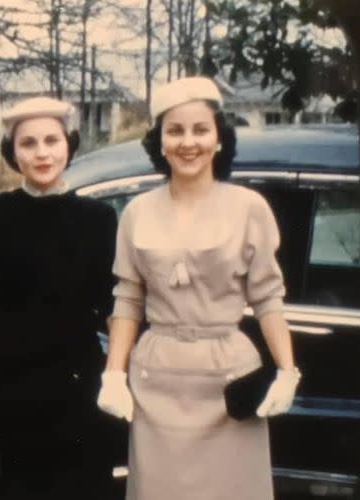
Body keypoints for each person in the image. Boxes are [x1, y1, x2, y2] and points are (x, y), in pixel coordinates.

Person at [97, 77, 301, 500]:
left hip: (228, 381)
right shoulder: (137, 212)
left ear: (219, 139)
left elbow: (267, 297)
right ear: (160, 142)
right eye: (175, 131)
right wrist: (114, 374)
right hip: (157, 384)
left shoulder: (249, 208)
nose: (188, 142)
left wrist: (286, 370)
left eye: (200, 129)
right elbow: (129, 299)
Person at [0, 97, 121, 500]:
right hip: (11, 393)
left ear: (69, 145)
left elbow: (115, 304)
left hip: (79, 392)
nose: (42, 153)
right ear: (12, 152)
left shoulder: (99, 219)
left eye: (52, 140)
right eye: (29, 143)